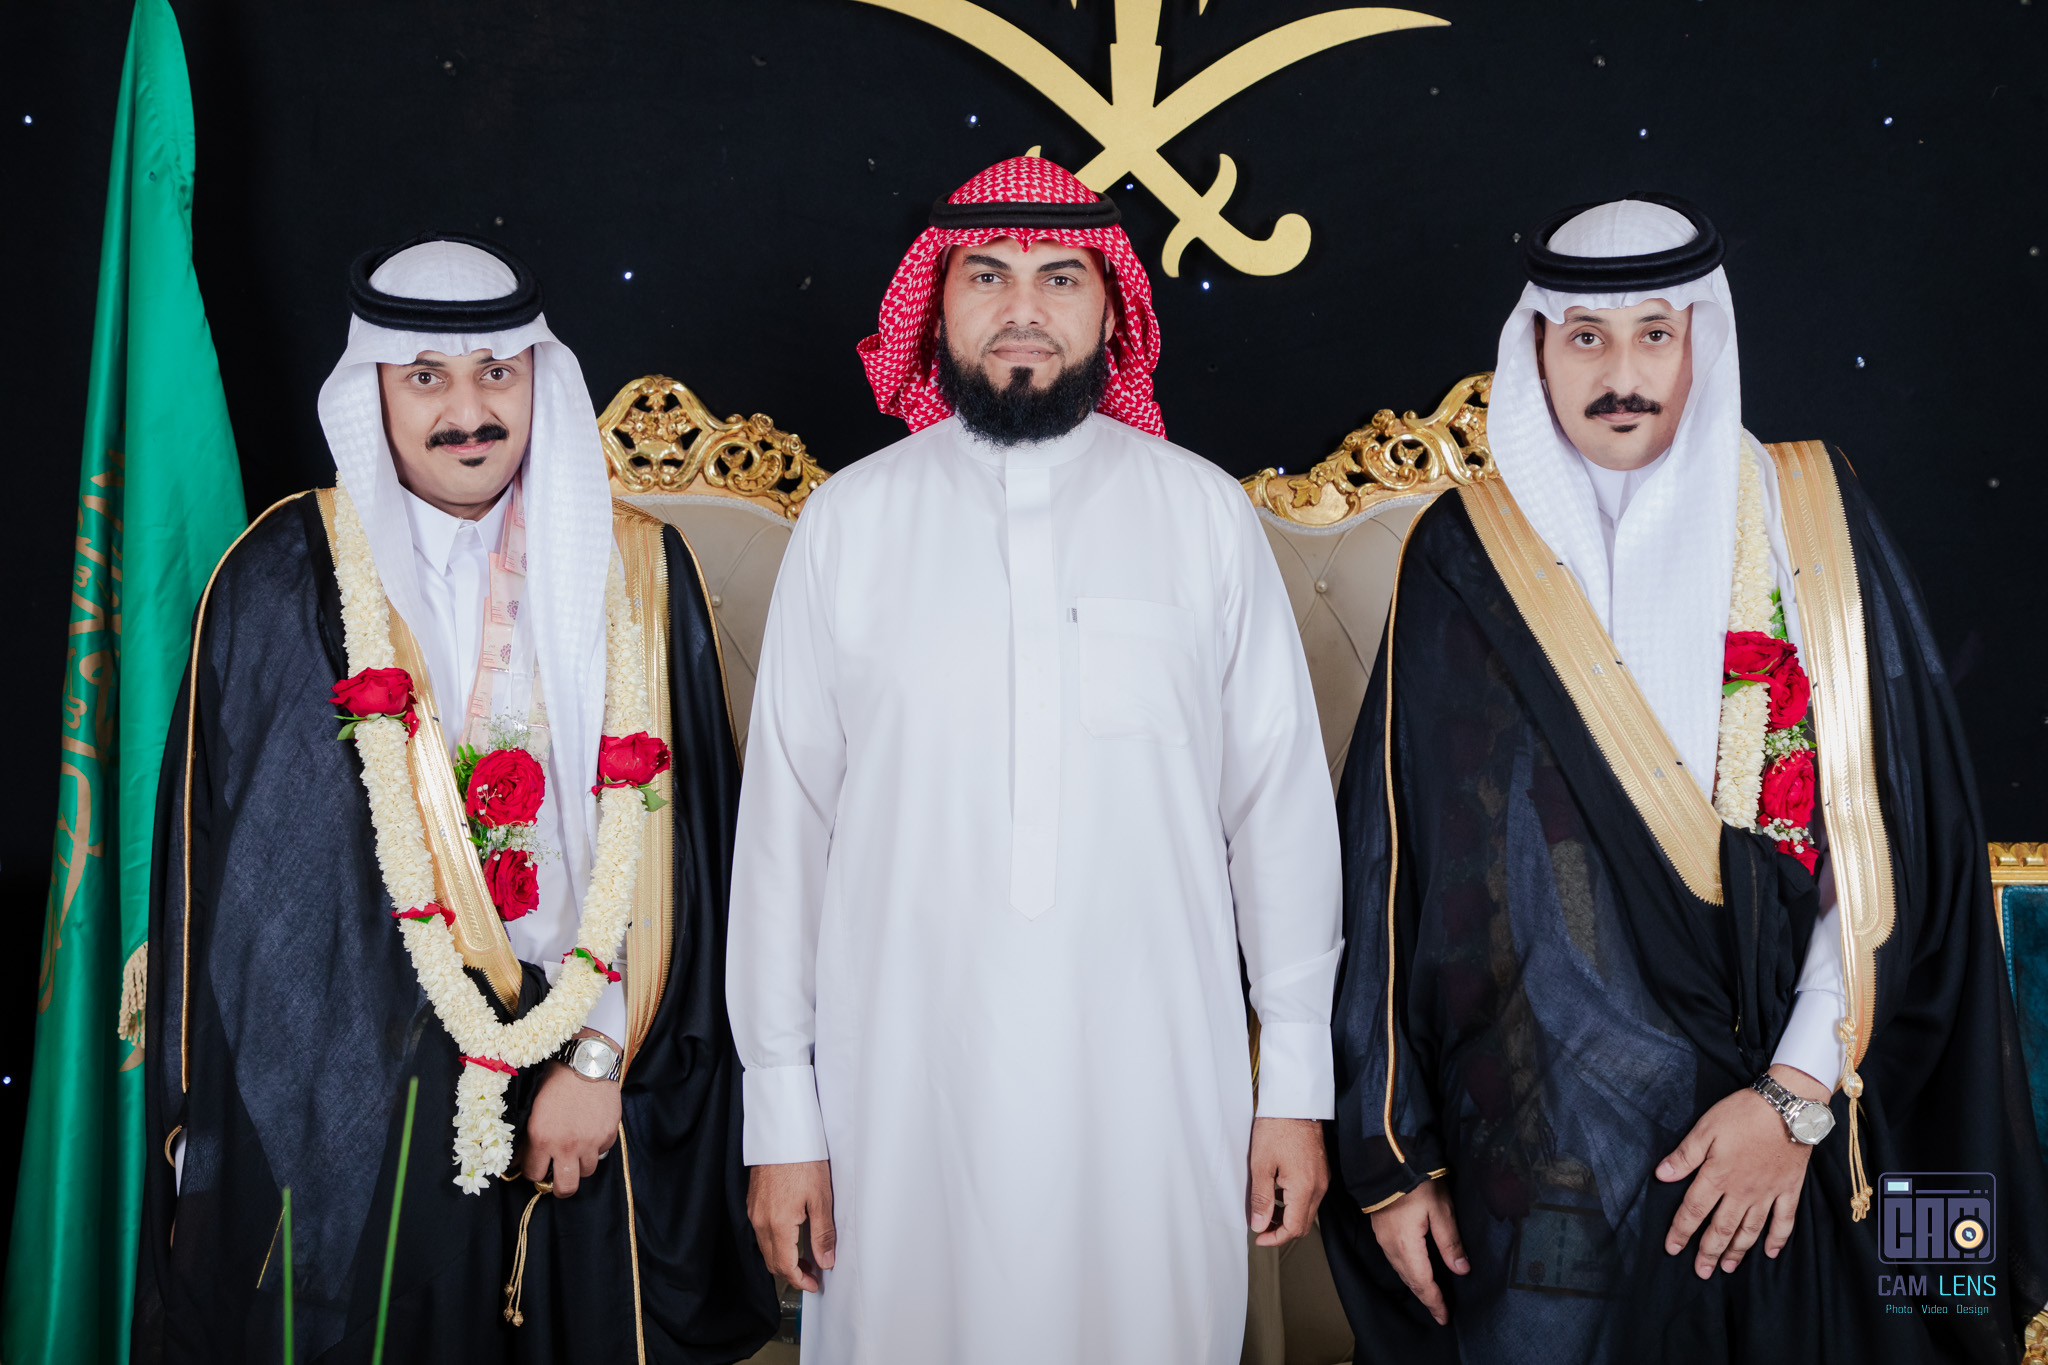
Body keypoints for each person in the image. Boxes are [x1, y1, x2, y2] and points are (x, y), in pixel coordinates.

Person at [1318, 194, 2048, 1362]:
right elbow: (1392, 866)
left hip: (1806, 1095)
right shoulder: (1463, 552)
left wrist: (1792, 1100)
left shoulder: (1811, 521)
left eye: (1653, 334)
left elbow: (1892, 842)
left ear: (1701, 339)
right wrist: (1392, 1163)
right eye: (1585, 338)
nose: (1621, 376)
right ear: (1537, 350)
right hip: (1548, 1141)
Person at [725, 156, 1343, 1364]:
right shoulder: (851, 522)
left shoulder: (1201, 516)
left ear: (1110, 310)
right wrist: (781, 1115)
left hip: (1156, 1086)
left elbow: (1275, 814)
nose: (1023, 309)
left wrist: (1294, 1090)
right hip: (899, 1091)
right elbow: (784, 839)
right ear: (934, 302)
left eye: (1060, 277)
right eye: (987, 276)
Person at [132, 236, 776, 1363]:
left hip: (597, 1064)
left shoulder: (638, 569)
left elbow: (700, 859)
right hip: (364, 1074)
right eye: (425, 377)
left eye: (496, 373)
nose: (468, 412)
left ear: (537, 378)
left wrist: (597, 1058)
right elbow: (237, 890)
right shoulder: (283, 575)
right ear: (371, 390)